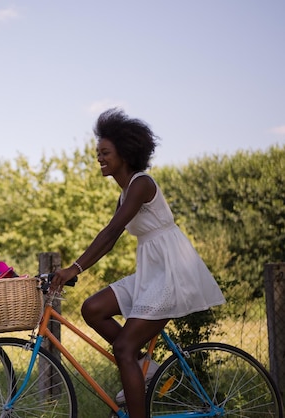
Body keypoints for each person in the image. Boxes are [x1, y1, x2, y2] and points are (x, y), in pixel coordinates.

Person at [51, 108, 225, 418]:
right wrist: (76, 267)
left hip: (172, 273)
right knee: (93, 308)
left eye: (105, 152)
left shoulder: (142, 184)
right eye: (98, 153)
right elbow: (111, 237)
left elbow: (112, 232)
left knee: (123, 350)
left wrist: (74, 268)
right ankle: (146, 366)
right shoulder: (125, 193)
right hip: (152, 272)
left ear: (125, 153)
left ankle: (137, 388)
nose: (99, 158)